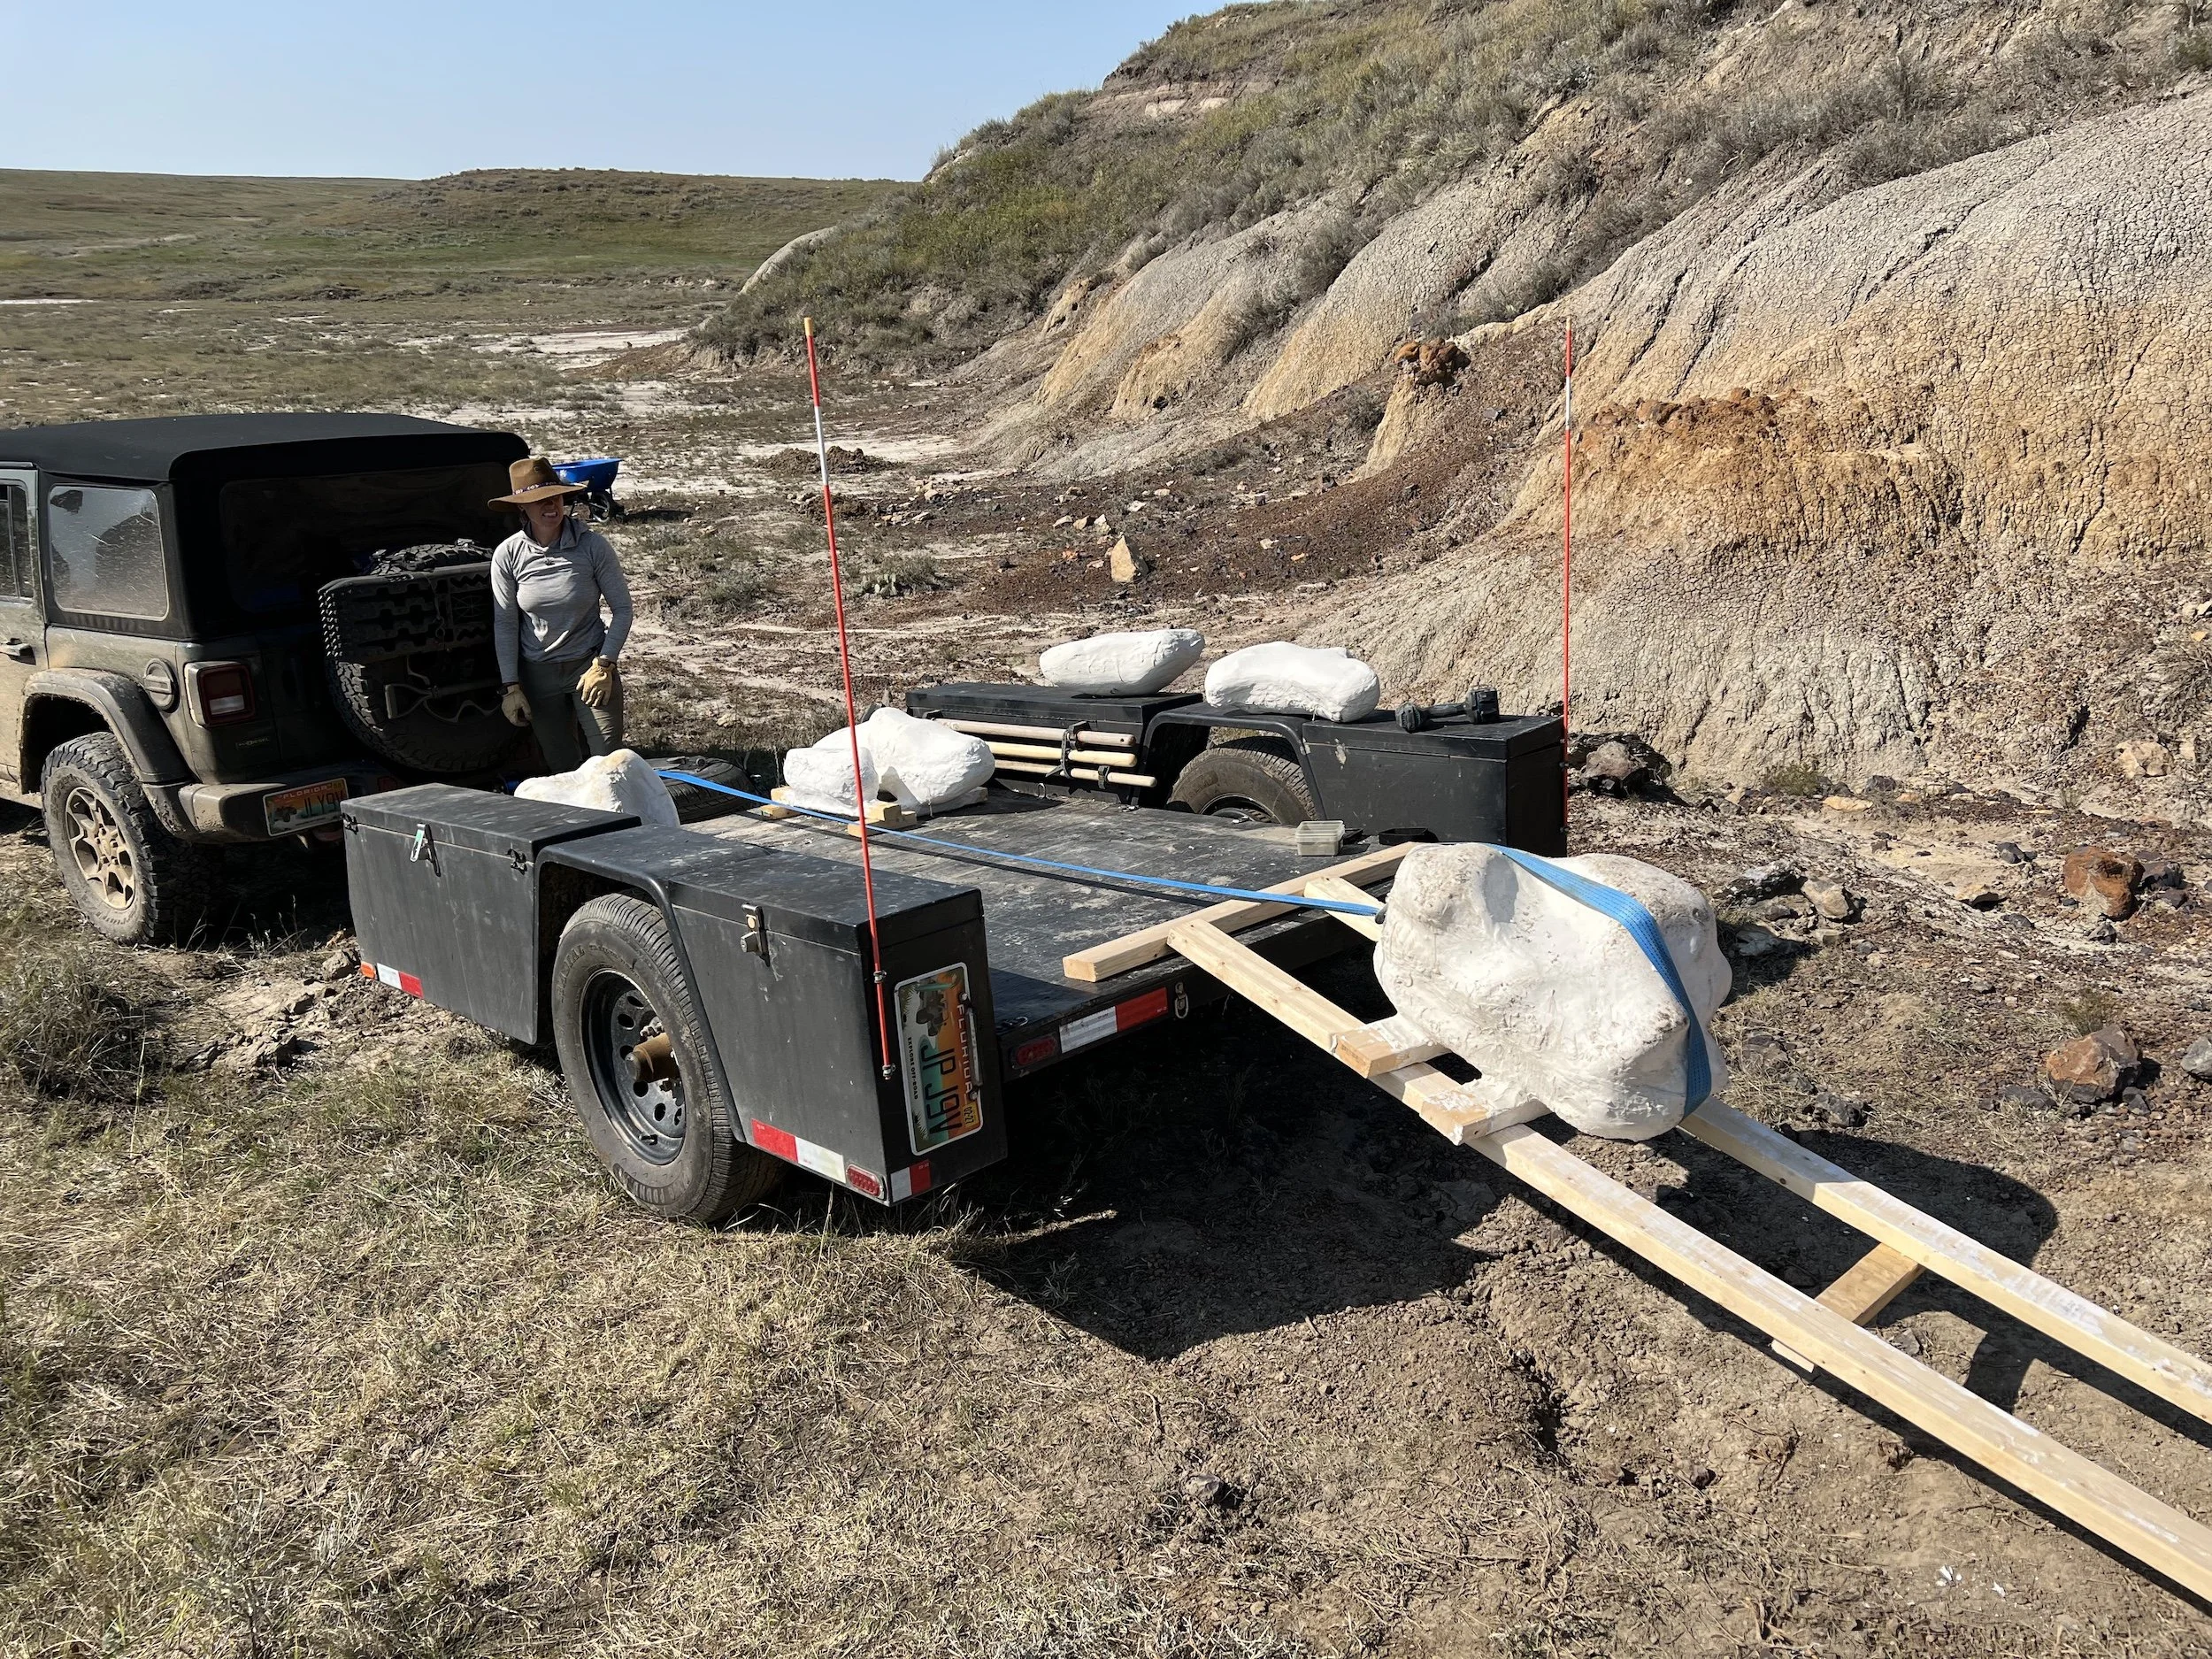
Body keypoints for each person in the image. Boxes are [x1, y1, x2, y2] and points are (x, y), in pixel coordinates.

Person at [489, 457, 634, 773]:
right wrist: (511, 687)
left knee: (610, 762)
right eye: (538, 501)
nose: (550, 506)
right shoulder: (508, 554)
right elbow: (505, 622)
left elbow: (623, 609)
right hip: (538, 674)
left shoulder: (592, 546)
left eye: (554, 497)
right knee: (561, 766)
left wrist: (605, 663)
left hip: (589, 664)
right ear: (521, 508)